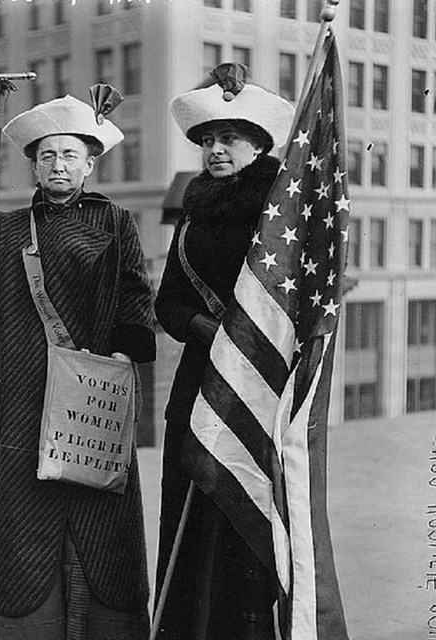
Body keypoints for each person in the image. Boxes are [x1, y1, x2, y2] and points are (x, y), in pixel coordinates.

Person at [0, 92, 156, 640]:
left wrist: (123, 357)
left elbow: (135, 293)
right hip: (26, 394)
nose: (59, 165)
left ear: (90, 162)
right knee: (26, 521)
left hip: (93, 397)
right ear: (33, 164)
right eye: (47, 155)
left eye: (70, 155)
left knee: (100, 511)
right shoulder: (7, 230)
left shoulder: (116, 220)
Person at [153, 63, 295, 640]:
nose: (215, 149)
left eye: (228, 139)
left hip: (255, 386)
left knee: (240, 517)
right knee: (189, 507)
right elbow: (167, 305)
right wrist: (201, 327)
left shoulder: (279, 215)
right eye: (207, 139)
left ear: (259, 144)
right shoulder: (193, 211)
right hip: (197, 383)